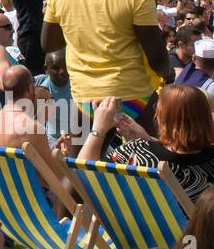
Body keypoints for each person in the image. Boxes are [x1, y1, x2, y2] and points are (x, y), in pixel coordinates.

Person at [41, 0, 171, 135]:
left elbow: (49, 44)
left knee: (82, 165)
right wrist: (168, 75)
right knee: (162, 152)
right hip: (133, 96)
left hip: (85, 98)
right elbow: (156, 57)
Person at [79, 84, 214, 201]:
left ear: (161, 118)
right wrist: (148, 141)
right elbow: (180, 153)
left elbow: (84, 177)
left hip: (137, 230)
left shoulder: (137, 153)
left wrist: (98, 129)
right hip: (196, 230)